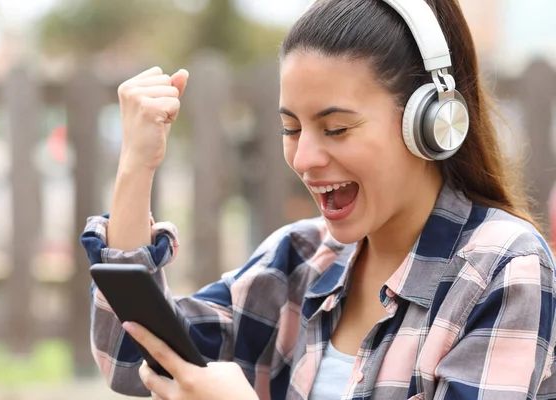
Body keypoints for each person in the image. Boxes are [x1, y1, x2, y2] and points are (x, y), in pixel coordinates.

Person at [81, 0, 556, 399]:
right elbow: (130, 359)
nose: (304, 158)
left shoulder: (503, 269)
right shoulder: (300, 259)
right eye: (291, 128)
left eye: (336, 129)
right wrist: (135, 168)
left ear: (430, 124)